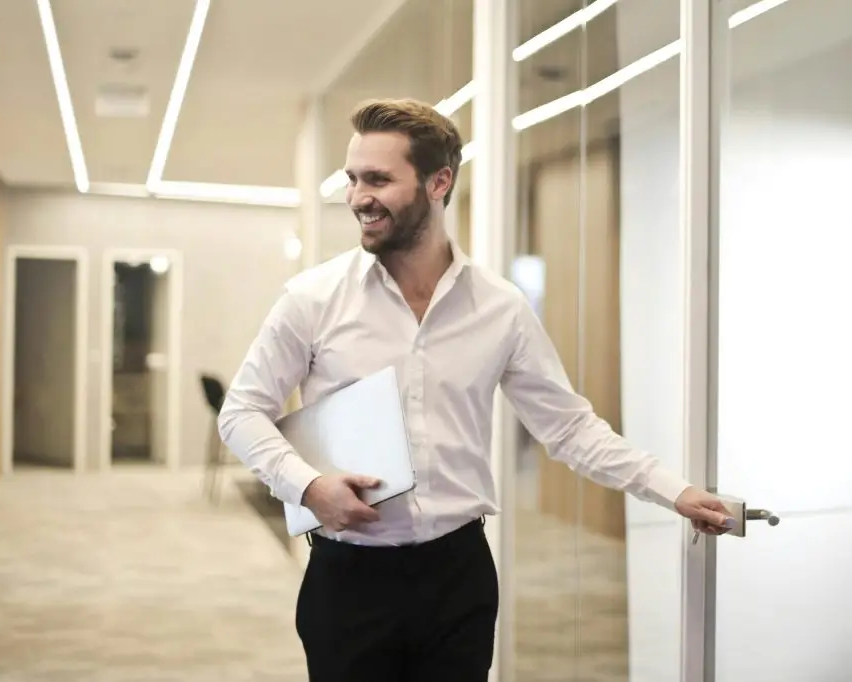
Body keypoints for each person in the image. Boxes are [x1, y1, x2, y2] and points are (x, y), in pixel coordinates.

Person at [218, 98, 734, 682]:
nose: (358, 196)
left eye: (379, 179)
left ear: (439, 182)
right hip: (348, 579)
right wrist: (307, 486)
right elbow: (242, 411)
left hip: (457, 576)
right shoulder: (312, 299)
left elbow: (567, 427)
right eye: (353, 178)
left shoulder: (499, 307)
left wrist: (673, 490)